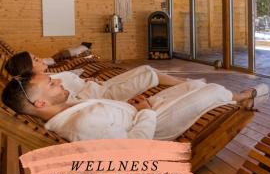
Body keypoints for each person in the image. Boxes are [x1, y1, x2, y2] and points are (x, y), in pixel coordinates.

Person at [1, 71, 268, 142]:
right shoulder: (80, 125)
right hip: (156, 127)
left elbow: (106, 116)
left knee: (193, 86)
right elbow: (137, 146)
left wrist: (136, 106)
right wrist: (146, 112)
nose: (58, 81)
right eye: (51, 83)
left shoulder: (65, 109)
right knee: (211, 90)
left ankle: (240, 98)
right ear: (40, 103)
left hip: (140, 112)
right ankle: (243, 98)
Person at [5, 51, 191, 102]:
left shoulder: (49, 77)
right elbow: (74, 99)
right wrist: (88, 84)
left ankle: (184, 83)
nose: (39, 58)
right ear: (28, 69)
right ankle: (187, 86)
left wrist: (86, 80)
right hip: (102, 96)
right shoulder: (46, 88)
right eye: (35, 59)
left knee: (144, 67)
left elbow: (72, 81)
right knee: (149, 74)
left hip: (99, 86)